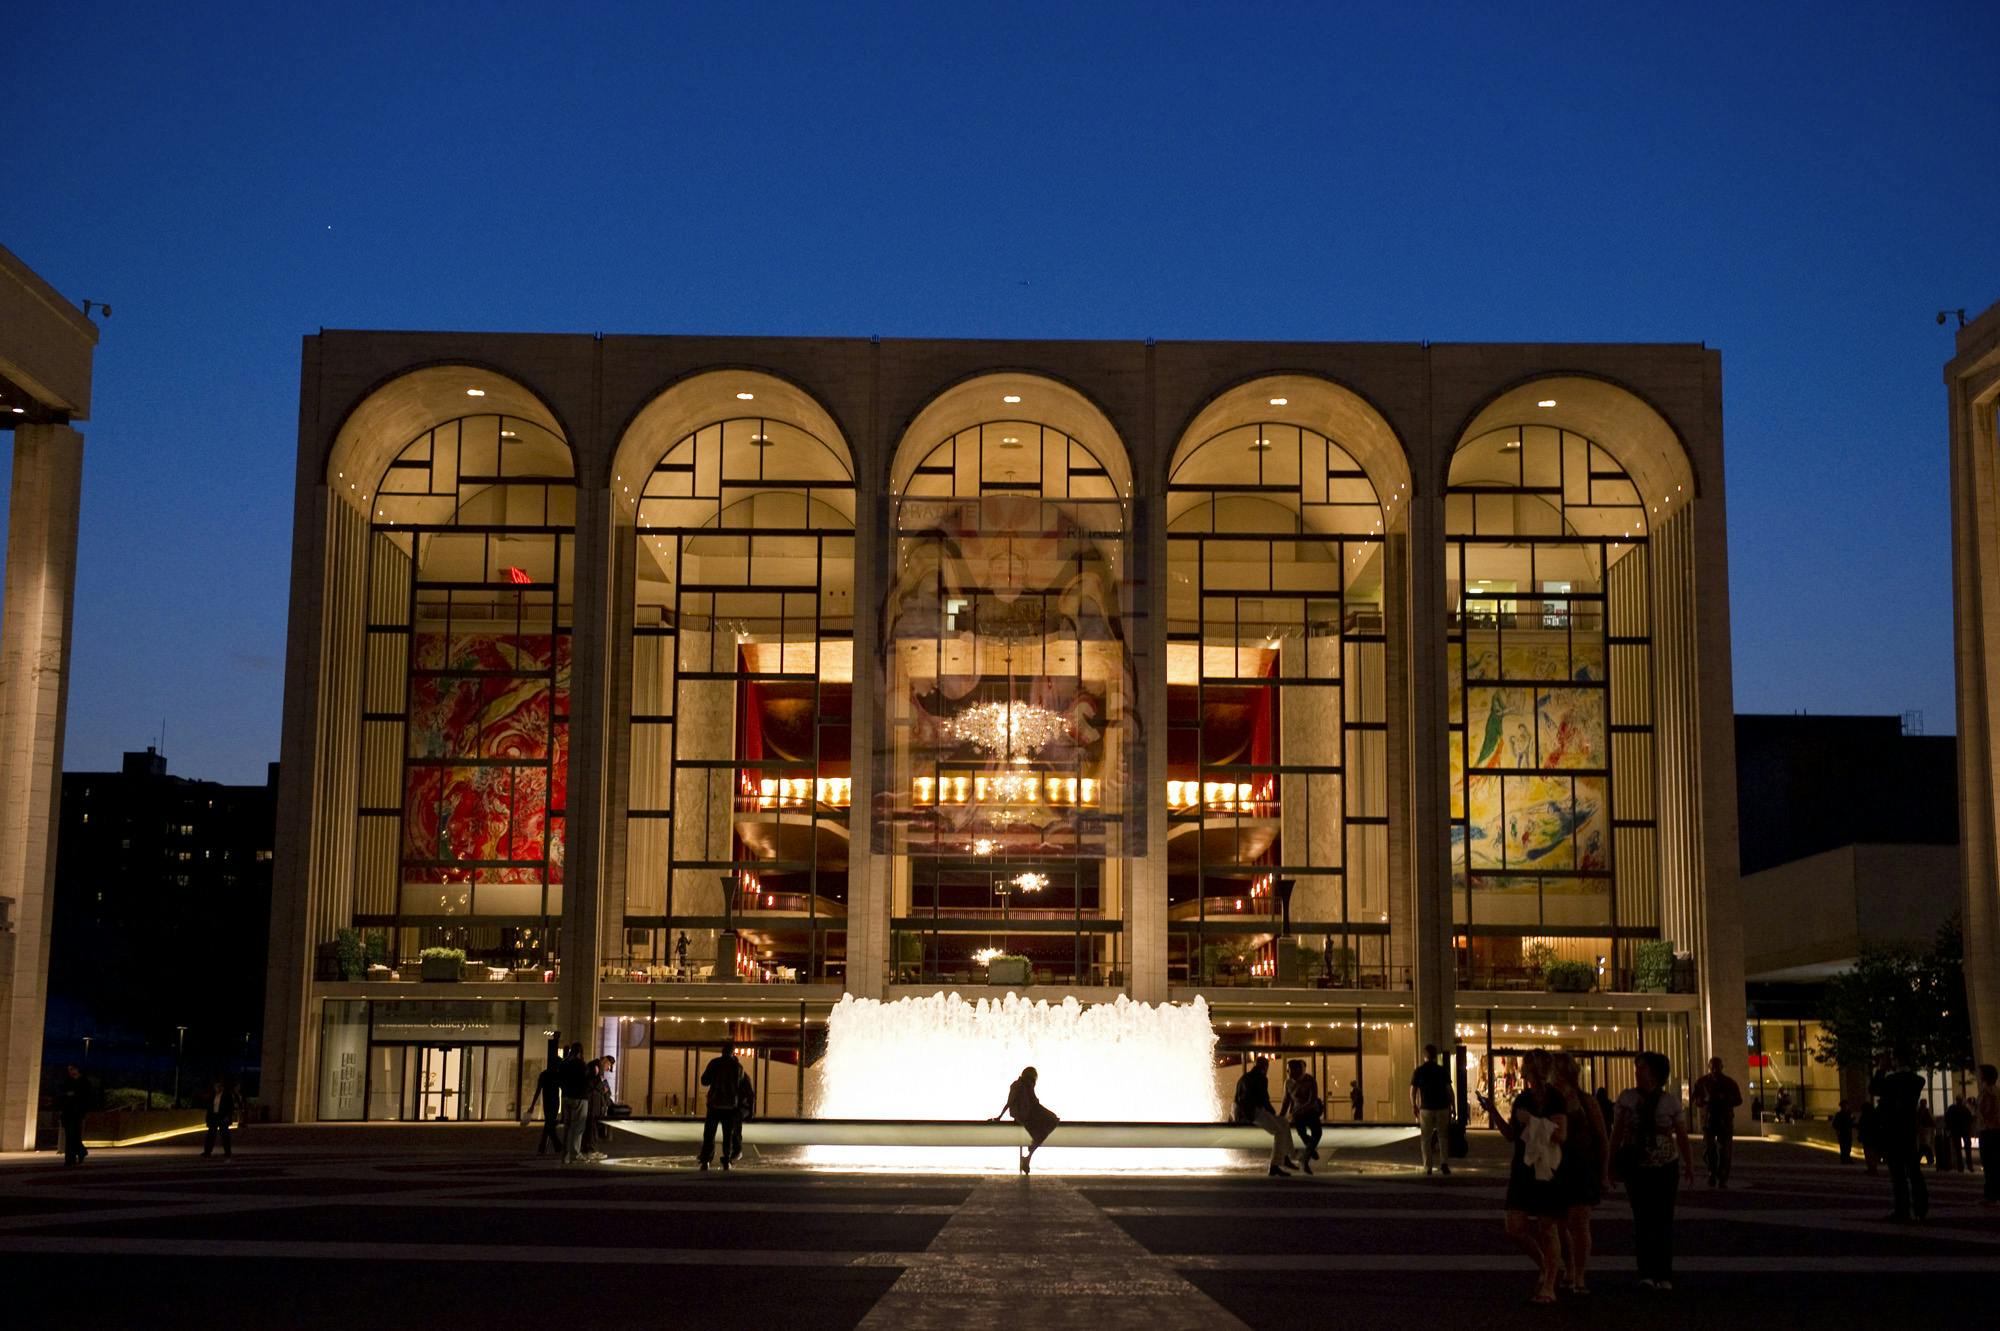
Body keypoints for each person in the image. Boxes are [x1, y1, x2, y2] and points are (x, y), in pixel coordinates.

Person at [1480, 1048, 1568, 1304]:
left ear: (1536, 1069)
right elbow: (1510, 1135)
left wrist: (1532, 1121)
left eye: (1526, 1066)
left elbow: (1561, 1135)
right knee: (1515, 1227)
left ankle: (1549, 1284)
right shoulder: (1522, 1099)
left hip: (1546, 1168)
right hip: (1522, 1166)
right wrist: (1493, 1111)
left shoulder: (1555, 1099)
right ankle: (1546, 1264)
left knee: (1547, 1226)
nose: (1521, 1070)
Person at [1609, 1050, 1694, 1292]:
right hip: (1637, 1166)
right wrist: (1611, 1163)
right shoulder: (1626, 1098)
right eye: (1637, 1068)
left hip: (1666, 1165)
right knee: (1642, 1219)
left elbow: (1682, 1135)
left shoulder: (1670, 1101)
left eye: (1642, 1068)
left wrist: (1688, 1164)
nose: (1637, 1072)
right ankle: (1646, 1272)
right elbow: (1617, 1133)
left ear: (1655, 1072)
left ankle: (1663, 1273)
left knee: (1664, 1219)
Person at [1551, 1052, 1609, 1297]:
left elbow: (1602, 1138)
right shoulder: (1550, 1103)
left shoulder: (1586, 1102)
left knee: (1580, 1221)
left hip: (1582, 1166)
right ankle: (1570, 1267)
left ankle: (1580, 1273)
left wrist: (1604, 1172)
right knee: (1560, 1224)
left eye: (1557, 1073)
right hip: (1557, 1167)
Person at [1869, 1050, 1929, 1221]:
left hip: (1893, 1129)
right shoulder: (1918, 1080)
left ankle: (1902, 1209)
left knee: (1897, 1173)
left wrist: (1881, 1069)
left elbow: (1873, 1088)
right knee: (1914, 1171)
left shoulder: (1891, 1081)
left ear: (1895, 1061)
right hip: (1909, 1129)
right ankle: (1921, 1207)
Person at [1234, 1057, 1298, 1177]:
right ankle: (1275, 1165)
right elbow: (1264, 1100)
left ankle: (1286, 1156)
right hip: (1253, 1113)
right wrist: (1273, 1113)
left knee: (1283, 1122)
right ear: (1265, 1067)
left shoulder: (1244, 1077)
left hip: (1243, 1114)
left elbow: (1237, 1098)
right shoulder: (1261, 1078)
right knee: (1279, 1130)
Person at [993, 1065, 1060, 1175]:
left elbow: (1031, 1102)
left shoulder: (1025, 1086)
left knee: (1049, 1124)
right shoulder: (1019, 1085)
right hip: (1025, 1115)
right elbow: (1011, 1102)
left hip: (1026, 1114)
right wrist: (999, 1116)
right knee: (1049, 1124)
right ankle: (1028, 1157)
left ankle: (1028, 1158)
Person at [1690, 1056, 1743, 1188]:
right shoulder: (1702, 1082)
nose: (1714, 1070)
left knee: (1725, 1150)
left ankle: (1723, 1176)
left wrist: (1725, 1098)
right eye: (1712, 1067)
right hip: (1708, 1121)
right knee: (1709, 1149)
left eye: (1717, 1067)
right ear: (1709, 1068)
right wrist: (1704, 1100)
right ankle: (1711, 1172)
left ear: (1721, 1067)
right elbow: (1695, 1099)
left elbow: (1738, 1100)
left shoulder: (1729, 1083)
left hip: (1725, 1120)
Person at [698, 1041, 747, 1171]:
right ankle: (726, 1160)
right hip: (730, 1106)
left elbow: (704, 1081)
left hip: (714, 1105)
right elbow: (741, 1087)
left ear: (722, 1050)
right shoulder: (738, 1067)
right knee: (728, 1135)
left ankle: (706, 1160)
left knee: (709, 1134)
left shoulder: (714, 1063)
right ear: (733, 1051)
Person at [1410, 1044, 1454, 1177]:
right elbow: (1449, 1090)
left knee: (1426, 1138)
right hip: (1442, 1107)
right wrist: (1453, 1106)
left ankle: (1428, 1166)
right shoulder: (1442, 1071)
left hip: (1426, 1108)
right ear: (1435, 1056)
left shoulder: (1419, 1071)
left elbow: (1413, 1091)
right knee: (1443, 1136)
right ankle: (1444, 1163)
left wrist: (1414, 1105)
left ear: (1424, 1056)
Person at [1282, 1059, 1323, 1175]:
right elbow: (1286, 1100)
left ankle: (1305, 1158)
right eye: (1287, 1070)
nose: (1288, 1072)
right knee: (1302, 1132)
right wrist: (1281, 1116)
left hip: (1310, 1112)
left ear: (1299, 1070)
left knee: (1317, 1132)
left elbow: (1312, 1100)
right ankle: (1309, 1152)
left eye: (1290, 1070)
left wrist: (1296, 1112)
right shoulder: (1288, 1082)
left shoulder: (1310, 1081)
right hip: (1297, 1114)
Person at [557, 1043, 594, 1164]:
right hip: (579, 1097)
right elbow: (587, 1081)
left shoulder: (564, 1064)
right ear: (580, 1052)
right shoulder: (581, 1064)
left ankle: (566, 1155)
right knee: (578, 1127)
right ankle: (575, 1153)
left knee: (567, 1127)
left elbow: (560, 1080)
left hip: (566, 1096)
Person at [523, 1055, 563, 1155]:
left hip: (547, 1101)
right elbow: (563, 1088)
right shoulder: (557, 1075)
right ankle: (556, 1146)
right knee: (549, 1124)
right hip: (554, 1101)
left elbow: (538, 1090)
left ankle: (545, 1147)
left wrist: (532, 1105)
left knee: (548, 1124)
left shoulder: (544, 1074)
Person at [55, 1064, 93, 1167]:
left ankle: (74, 1156)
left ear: (77, 1069)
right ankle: (75, 1156)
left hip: (77, 1113)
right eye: (69, 1070)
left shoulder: (84, 1082)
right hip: (68, 1112)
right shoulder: (67, 1081)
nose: (70, 1072)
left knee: (74, 1135)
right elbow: (61, 1095)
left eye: (72, 1069)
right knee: (71, 1136)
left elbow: (87, 1097)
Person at [1975, 1063, 2000, 1205]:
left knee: (1989, 1163)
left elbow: (1987, 1111)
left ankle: (1990, 1195)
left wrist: (1979, 1115)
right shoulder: (1995, 1090)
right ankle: (1993, 1193)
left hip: (1988, 1131)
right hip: (1994, 1130)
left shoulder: (1987, 1092)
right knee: (1994, 1164)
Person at [584, 1055, 616, 1162]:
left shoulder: (595, 1066)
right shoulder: (596, 1066)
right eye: (608, 1066)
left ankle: (590, 1149)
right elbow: (596, 1084)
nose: (607, 1069)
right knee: (591, 1125)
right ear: (605, 1061)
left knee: (592, 1126)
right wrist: (604, 1089)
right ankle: (590, 1150)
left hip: (594, 1101)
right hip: (592, 1101)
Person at [201, 1077, 241, 1159]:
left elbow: (230, 1107)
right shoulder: (213, 1096)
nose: (218, 1088)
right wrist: (208, 1119)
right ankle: (207, 1152)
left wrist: (228, 1117)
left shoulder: (227, 1095)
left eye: (219, 1086)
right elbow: (209, 1108)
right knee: (210, 1135)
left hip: (222, 1117)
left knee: (225, 1135)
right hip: (214, 1117)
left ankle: (227, 1152)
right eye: (216, 1086)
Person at [1943, 1094, 1973, 1172]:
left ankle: (1960, 1166)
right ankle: (1969, 1165)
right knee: (1967, 1149)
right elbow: (1970, 1119)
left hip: (1955, 1131)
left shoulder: (1951, 1109)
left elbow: (1947, 1119)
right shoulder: (1965, 1109)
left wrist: (1949, 1128)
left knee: (1958, 1150)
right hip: (1965, 1131)